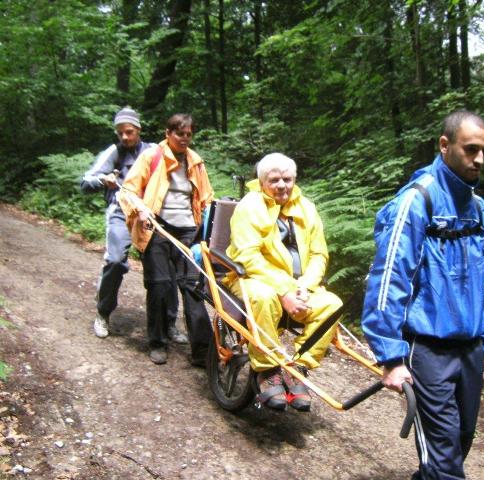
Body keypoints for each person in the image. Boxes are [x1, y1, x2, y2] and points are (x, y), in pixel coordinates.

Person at [361, 110, 484, 479]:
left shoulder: (482, 212)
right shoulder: (416, 203)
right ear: (445, 145)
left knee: (459, 444)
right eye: (471, 149)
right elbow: (389, 279)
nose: (480, 159)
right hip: (426, 351)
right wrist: (390, 356)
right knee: (444, 462)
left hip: (470, 350)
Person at [224, 153, 342, 412]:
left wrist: (304, 287)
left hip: (300, 286)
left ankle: (298, 367)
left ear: (295, 179)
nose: (281, 185)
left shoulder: (306, 207)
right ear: (262, 180)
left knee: (332, 304)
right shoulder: (250, 206)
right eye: (274, 179)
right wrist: (285, 289)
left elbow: (319, 254)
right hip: (253, 278)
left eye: (287, 179)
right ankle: (267, 371)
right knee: (264, 298)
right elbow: (248, 256)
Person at [80, 107, 187, 344]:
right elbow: (85, 182)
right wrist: (102, 180)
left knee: (166, 267)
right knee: (116, 260)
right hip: (121, 213)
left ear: (138, 129)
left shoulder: (154, 151)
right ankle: (103, 313)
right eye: (120, 133)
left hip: (149, 215)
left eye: (129, 132)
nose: (125, 137)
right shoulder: (113, 152)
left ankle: (169, 323)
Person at [119, 113, 213, 365]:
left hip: (189, 232)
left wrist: (209, 226)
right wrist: (140, 209)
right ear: (168, 133)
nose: (184, 138)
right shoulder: (152, 157)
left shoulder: (195, 162)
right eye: (179, 133)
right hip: (157, 228)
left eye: (188, 134)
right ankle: (158, 342)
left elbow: (206, 198)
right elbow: (128, 190)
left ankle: (203, 352)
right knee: (159, 285)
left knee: (193, 288)